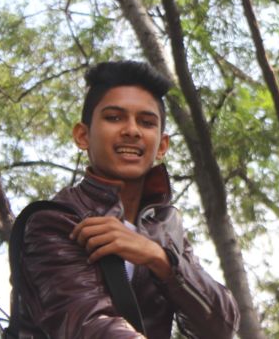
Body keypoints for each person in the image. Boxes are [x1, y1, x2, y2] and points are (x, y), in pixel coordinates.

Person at [13, 61, 240, 338]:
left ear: (162, 145)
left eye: (146, 122)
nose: (132, 130)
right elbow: (88, 325)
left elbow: (222, 326)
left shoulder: (165, 226)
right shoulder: (56, 220)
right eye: (114, 118)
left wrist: (160, 259)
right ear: (82, 136)